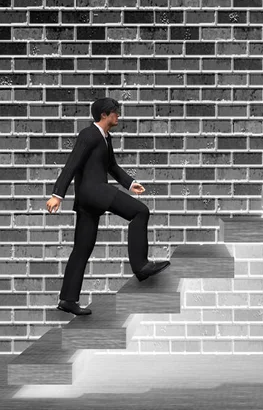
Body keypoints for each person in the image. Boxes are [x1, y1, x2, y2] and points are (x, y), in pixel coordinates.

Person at [45, 98, 170, 316]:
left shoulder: (105, 137)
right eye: (115, 113)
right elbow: (72, 164)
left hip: (89, 197)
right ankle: (141, 265)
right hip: (94, 191)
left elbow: (111, 166)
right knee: (140, 211)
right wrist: (58, 195)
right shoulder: (88, 135)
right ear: (104, 114)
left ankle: (67, 299)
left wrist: (130, 184)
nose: (118, 116)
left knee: (82, 249)